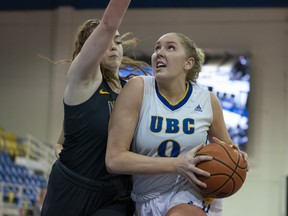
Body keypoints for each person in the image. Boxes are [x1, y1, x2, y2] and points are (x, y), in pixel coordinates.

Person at [106, 32, 249, 216]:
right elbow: (114, 159)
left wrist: (238, 158)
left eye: (170, 47)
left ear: (188, 63)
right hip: (146, 197)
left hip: (191, 194)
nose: (159, 53)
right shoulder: (138, 88)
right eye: (157, 48)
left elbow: (227, 150)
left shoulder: (207, 100)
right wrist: (176, 164)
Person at [41, 0, 151, 215]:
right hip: (73, 186)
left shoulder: (134, 91)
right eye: (106, 41)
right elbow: (61, 142)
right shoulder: (83, 80)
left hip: (117, 193)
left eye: (118, 42)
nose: (113, 46)